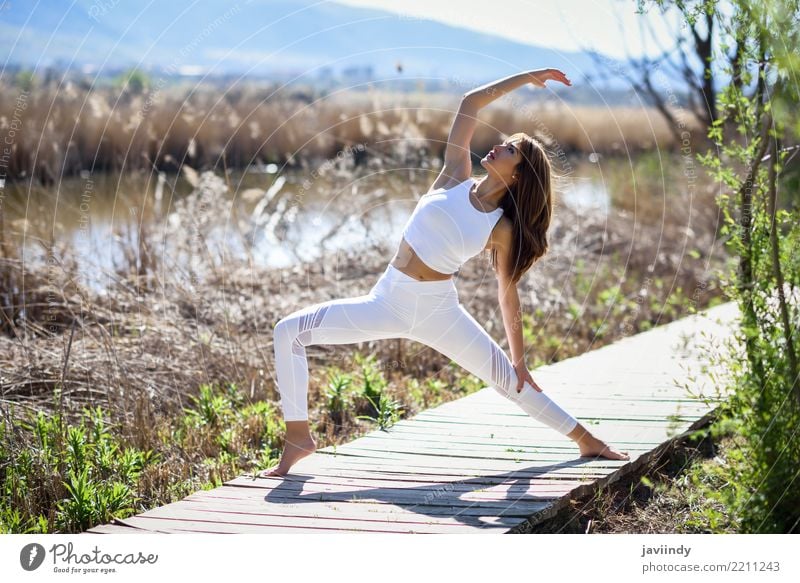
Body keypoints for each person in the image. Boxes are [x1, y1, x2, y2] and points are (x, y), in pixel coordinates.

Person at [263, 68, 629, 477]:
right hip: (387, 300)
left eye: (509, 150)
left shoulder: (501, 228)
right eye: (503, 143)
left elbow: (507, 294)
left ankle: (588, 442)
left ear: (519, 174)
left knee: (512, 382)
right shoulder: (454, 174)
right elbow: (470, 102)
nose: (496, 147)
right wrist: (525, 78)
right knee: (287, 331)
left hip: (439, 311)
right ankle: (298, 437)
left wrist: (520, 359)